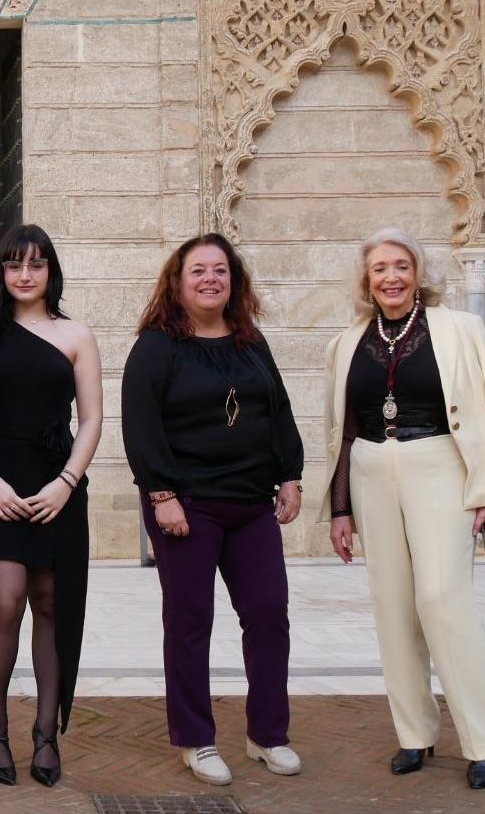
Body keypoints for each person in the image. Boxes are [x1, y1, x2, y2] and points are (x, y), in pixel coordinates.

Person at [322, 227, 485, 791]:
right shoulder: (345, 344)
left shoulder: (459, 330)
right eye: (380, 268)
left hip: (439, 462)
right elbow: (343, 430)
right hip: (369, 469)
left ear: (419, 274)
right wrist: (340, 510)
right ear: (366, 279)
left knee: (443, 598)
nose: (391, 277)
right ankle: (414, 734)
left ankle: (484, 743)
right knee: (392, 605)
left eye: (401, 266)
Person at [121, 233, 304, 787]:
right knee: (189, 622)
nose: (209, 279)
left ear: (234, 280)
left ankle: (268, 734)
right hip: (187, 506)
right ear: (177, 283)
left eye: (220, 270)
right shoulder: (156, 347)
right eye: (197, 270)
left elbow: (279, 408)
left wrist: (290, 473)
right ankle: (196, 739)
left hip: (251, 506)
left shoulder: (251, 342)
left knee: (269, 615)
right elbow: (141, 424)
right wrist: (161, 496)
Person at [0, 224, 102, 788]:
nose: (25, 274)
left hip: (57, 481)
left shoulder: (76, 335)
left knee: (50, 601)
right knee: (8, 599)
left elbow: (91, 417)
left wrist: (67, 481)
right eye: (14, 264)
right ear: (1, 273)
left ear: (50, 272)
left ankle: (45, 734)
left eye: (36, 265)